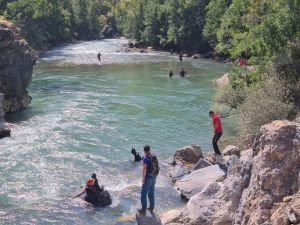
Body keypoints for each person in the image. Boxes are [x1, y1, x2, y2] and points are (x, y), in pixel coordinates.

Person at [138, 145, 158, 215]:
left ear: (144, 151)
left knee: (143, 194)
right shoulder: (154, 156)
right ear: (149, 150)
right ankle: (151, 208)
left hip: (148, 178)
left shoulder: (146, 158)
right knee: (151, 193)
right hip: (154, 177)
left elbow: (144, 169)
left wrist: (143, 179)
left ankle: (143, 210)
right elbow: (158, 167)